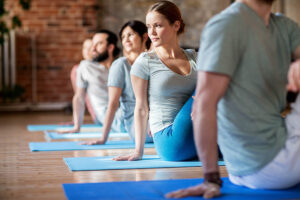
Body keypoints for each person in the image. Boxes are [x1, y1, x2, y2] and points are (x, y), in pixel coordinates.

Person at [166, 0, 300, 199]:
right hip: (268, 162)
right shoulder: (226, 25)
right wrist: (211, 178)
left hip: (275, 150)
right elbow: (204, 103)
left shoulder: (283, 26)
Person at [113, 1, 198, 162]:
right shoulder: (145, 62)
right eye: (148, 26)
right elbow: (141, 107)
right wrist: (138, 151)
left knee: (219, 82)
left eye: (157, 25)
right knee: (209, 85)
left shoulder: (195, 57)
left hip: (197, 133)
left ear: (176, 25)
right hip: (170, 138)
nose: (151, 32)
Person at [82, 20, 153, 144]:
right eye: (123, 37)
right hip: (137, 125)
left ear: (144, 36)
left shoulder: (153, 61)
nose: (126, 39)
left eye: (130, 34)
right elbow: (113, 104)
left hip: (156, 119)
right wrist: (103, 138)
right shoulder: (120, 65)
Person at [60, 30, 124, 133]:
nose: (93, 49)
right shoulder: (85, 66)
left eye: (99, 44)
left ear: (110, 47)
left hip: (128, 113)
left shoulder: (121, 65)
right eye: (93, 44)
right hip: (112, 118)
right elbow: (79, 97)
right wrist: (77, 126)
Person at [68, 39, 97, 123]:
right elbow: (79, 97)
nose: (87, 51)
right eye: (84, 47)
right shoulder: (77, 69)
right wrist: (76, 121)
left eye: (90, 47)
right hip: (97, 115)